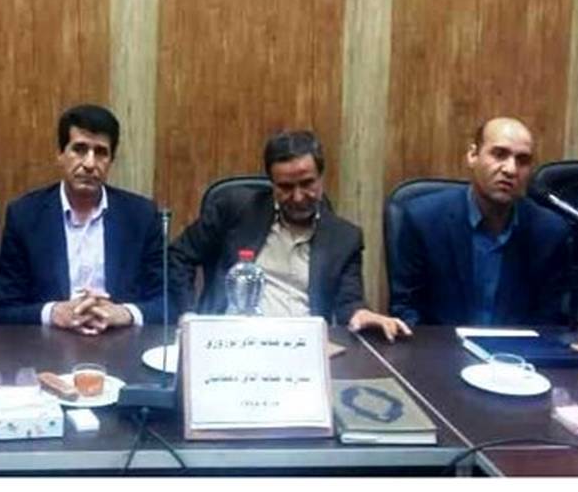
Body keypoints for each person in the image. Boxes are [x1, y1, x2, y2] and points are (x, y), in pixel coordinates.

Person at [168, 129, 410, 340]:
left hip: (303, 347)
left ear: (321, 178)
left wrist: (362, 314)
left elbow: (350, 301)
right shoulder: (235, 209)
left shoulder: (344, 238)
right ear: (272, 184)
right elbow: (179, 255)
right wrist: (188, 314)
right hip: (231, 339)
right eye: (285, 187)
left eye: (307, 183)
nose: (298, 197)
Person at [0, 104, 164, 334]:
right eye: (80, 149)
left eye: (101, 152)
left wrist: (124, 313)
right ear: (60, 154)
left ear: (111, 160)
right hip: (48, 344)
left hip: (121, 341)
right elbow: (5, 309)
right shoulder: (25, 215)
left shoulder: (141, 216)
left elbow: (167, 301)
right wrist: (53, 312)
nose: (89, 164)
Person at [389, 117, 571, 327]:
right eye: (499, 154)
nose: (511, 169)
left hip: (517, 347)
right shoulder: (423, 219)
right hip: (442, 345)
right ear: (473, 155)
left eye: (522, 160)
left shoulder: (549, 231)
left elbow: (549, 320)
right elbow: (406, 308)